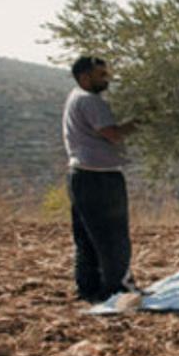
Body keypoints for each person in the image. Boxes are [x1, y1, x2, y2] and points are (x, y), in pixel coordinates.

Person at [62, 56, 141, 303]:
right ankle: (117, 289)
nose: (106, 79)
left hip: (80, 176)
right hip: (100, 178)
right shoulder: (90, 101)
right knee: (112, 236)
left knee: (87, 237)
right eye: (101, 75)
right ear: (84, 77)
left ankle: (89, 289)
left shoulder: (75, 97)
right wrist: (140, 122)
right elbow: (112, 135)